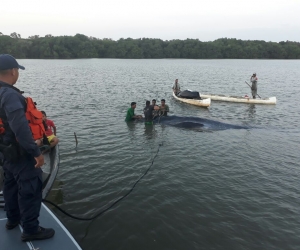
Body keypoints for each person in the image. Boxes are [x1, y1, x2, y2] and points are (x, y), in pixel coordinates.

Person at [0, 54, 55, 241]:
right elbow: (20, 128)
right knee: (30, 189)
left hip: (6, 153)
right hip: (21, 153)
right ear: (14, 71)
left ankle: (12, 220)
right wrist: (36, 152)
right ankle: (31, 230)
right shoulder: (10, 95)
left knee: (10, 185)